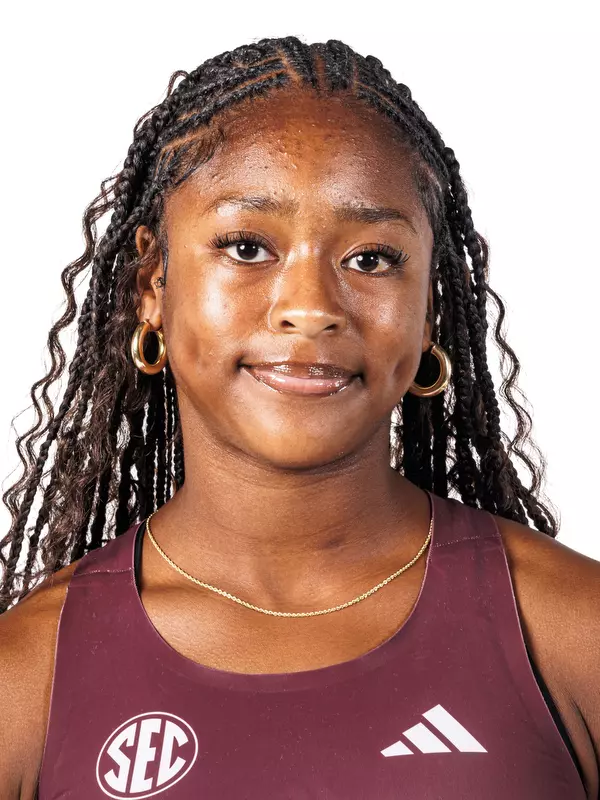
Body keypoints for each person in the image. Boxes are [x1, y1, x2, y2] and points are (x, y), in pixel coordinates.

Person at [0, 35, 597, 799]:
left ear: (433, 305)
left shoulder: (573, 634)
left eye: (372, 259)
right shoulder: (30, 681)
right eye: (247, 246)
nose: (310, 308)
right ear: (153, 282)